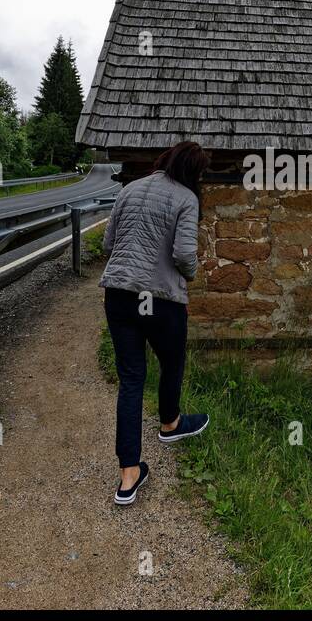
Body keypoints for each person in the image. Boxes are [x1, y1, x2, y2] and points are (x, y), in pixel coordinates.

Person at [100, 141, 212, 505]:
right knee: (172, 360)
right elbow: (183, 254)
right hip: (160, 298)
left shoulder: (130, 189)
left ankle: (128, 476)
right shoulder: (186, 198)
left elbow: (107, 243)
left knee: (131, 379)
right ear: (192, 171)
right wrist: (190, 276)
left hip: (118, 294)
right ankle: (170, 424)